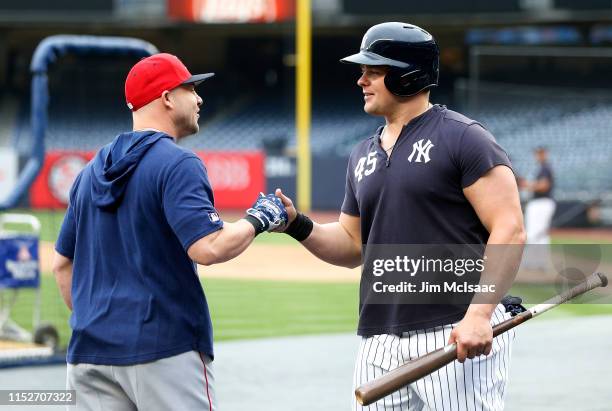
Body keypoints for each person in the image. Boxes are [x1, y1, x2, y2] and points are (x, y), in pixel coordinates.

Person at [273, 22, 526, 410]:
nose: (361, 80)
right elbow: (352, 244)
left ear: (409, 75)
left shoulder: (464, 137)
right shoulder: (362, 154)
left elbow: (509, 229)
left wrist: (480, 314)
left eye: (373, 71)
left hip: (455, 329)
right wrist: (297, 225)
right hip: (378, 337)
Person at [51, 53, 287, 411]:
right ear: (166, 98)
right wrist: (259, 218)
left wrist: (94, 322)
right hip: (164, 351)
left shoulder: (88, 173)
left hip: (89, 354)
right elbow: (208, 247)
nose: (199, 99)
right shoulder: (178, 163)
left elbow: (61, 266)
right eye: (191, 89)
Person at [519, 147, 556, 270]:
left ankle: (533, 261)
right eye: (537, 154)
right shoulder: (542, 168)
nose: (538, 156)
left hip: (541, 202)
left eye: (540, 153)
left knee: (534, 232)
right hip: (541, 202)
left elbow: (544, 186)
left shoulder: (545, 168)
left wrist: (528, 185)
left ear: (545, 154)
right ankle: (539, 261)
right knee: (539, 233)